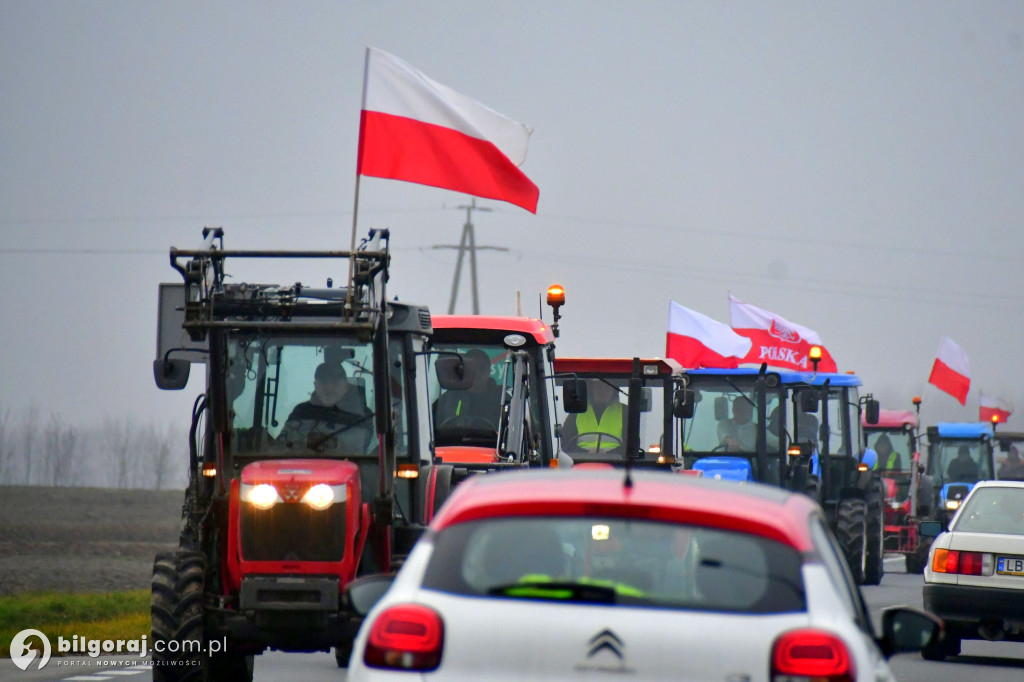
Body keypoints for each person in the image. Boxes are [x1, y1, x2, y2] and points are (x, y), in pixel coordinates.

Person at [279, 363, 374, 453]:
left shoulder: (362, 416)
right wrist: (304, 443)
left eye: (335, 382)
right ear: (315, 386)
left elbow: (366, 451)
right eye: (323, 382)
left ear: (346, 386)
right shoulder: (300, 413)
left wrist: (335, 444)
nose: (329, 388)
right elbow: (280, 446)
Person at [434, 348, 503, 430]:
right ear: (464, 370)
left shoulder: (502, 399)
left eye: (482, 368)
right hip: (453, 442)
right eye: (473, 368)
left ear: (489, 370)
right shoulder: (446, 400)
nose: (477, 373)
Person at [562, 379, 625, 453]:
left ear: (614, 391)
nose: (602, 392)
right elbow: (565, 444)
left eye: (607, 387)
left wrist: (608, 455)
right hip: (580, 462)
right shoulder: (576, 411)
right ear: (591, 389)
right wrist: (586, 454)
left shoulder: (626, 412)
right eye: (599, 387)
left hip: (618, 463)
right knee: (553, 463)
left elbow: (631, 447)